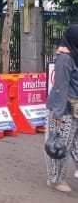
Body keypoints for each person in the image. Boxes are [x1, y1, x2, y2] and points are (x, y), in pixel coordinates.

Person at [45, 25, 78, 193]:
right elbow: (60, 87)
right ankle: (56, 179)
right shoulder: (65, 59)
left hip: (74, 109)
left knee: (75, 144)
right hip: (63, 109)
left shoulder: (74, 56)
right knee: (59, 145)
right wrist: (58, 113)